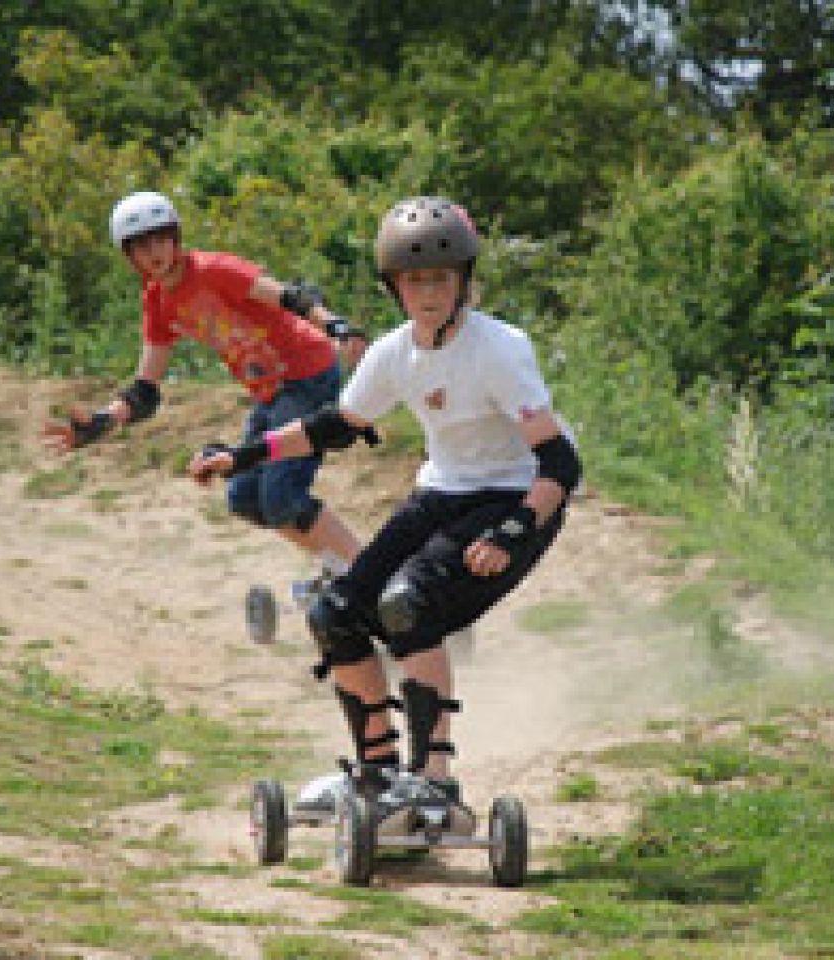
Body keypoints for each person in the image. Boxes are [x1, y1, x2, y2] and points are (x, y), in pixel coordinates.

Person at [189, 196, 582, 820]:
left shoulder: (500, 349)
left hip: (517, 497)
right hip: (445, 492)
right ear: (395, 287)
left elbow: (560, 465)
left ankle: (434, 781)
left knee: (408, 604)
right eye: (415, 280)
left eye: (441, 278)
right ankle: (376, 773)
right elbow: (332, 426)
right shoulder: (397, 352)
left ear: (464, 282)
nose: (428, 293)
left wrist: (512, 530)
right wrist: (243, 457)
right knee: (336, 609)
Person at [44, 190, 369, 585]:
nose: (154, 252)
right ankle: (339, 568)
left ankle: (367, 572)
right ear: (128, 257)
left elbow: (287, 296)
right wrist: (101, 422)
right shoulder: (158, 303)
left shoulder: (213, 270)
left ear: (176, 238)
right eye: (141, 246)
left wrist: (335, 325)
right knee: (245, 498)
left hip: (306, 372)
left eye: (160, 238)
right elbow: (146, 390)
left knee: (281, 497)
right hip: (270, 390)